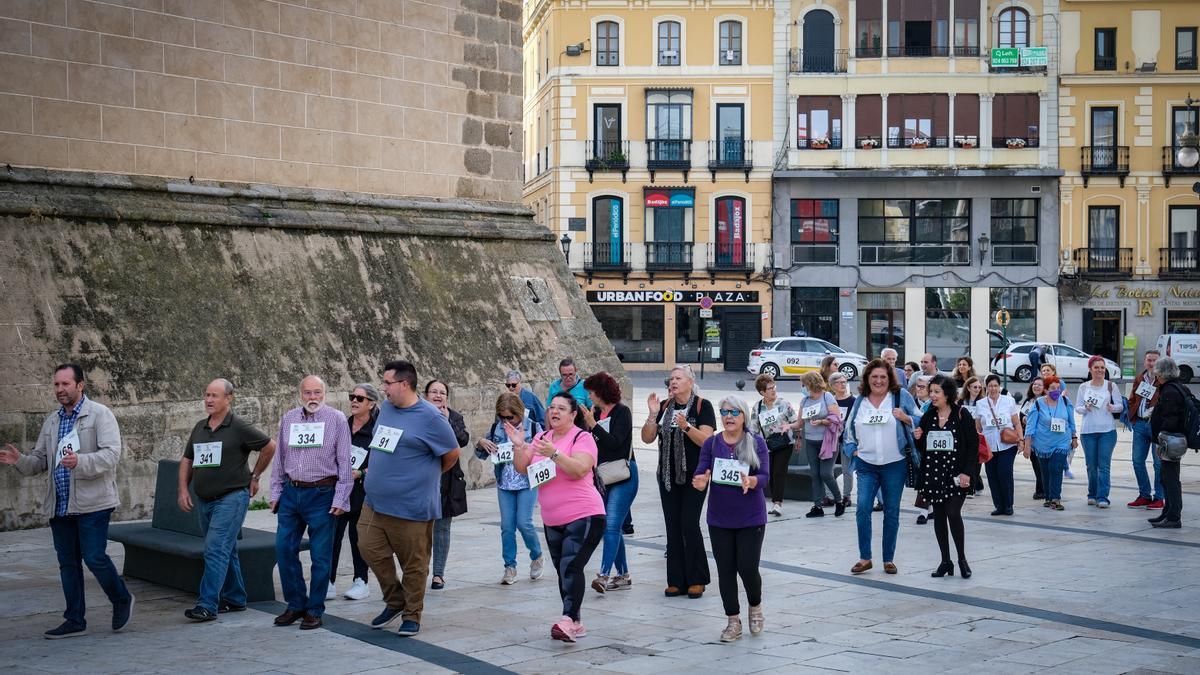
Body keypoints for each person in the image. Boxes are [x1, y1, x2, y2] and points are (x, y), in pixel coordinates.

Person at [0, 364, 135, 639]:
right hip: (60, 504)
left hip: (93, 503)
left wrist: (80, 461)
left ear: (80, 385)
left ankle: (121, 599)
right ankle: (74, 619)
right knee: (68, 563)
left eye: (65, 384)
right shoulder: (52, 421)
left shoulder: (100, 415)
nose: (60, 390)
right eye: (56, 385)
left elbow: (111, 455)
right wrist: (20, 461)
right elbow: (40, 461)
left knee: (94, 557)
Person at [360, 360, 461, 637]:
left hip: (412, 506)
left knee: (413, 564)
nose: (383, 388)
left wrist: (425, 475)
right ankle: (395, 600)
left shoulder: (431, 418)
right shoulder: (387, 409)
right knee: (369, 549)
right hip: (375, 502)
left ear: (404, 385)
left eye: (387, 383)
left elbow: (451, 453)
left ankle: (412, 614)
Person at [511, 393, 606, 642]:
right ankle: (575, 622)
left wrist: (555, 454)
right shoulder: (541, 437)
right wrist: (519, 445)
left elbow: (580, 469)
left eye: (561, 408)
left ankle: (567, 619)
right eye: (552, 407)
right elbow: (522, 468)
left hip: (585, 514)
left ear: (573, 415)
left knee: (571, 566)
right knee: (564, 571)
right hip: (553, 518)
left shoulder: (582, 437)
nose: (554, 411)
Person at [178, 378, 276, 621]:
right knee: (226, 549)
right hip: (204, 499)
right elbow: (187, 459)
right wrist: (182, 489)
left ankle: (207, 604)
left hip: (231, 498)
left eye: (215, 396)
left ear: (228, 399)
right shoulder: (200, 427)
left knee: (215, 549)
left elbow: (269, 446)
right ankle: (235, 597)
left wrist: (255, 476)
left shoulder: (239, 427)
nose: (209, 400)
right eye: (207, 395)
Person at [271, 375, 353, 630]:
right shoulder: (289, 419)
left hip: (322, 493)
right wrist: (275, 493)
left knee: (320, 555)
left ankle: (315, 609)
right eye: (307, 393)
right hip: (291, 493)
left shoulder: (337, 419)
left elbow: (344, 462)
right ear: (300, 394)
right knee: (284, 549)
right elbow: (279, 460)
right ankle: (295, 604)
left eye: (317, 392)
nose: (312, 397)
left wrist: (342, 497)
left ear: (325, 394)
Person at [692, 396, 769, 642]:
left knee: (747, 568)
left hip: (751, 518)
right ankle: (732, 621)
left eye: (734, 412)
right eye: (724, 411)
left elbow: (766, 476)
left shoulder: (755, 442)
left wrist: (753, 481)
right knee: (725, 571)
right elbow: (701, 469)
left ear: (744, 415)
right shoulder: (712, 443)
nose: (728, 416)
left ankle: (755, 605)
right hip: (719, 518)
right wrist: (700, 480)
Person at [641, 365, 715, 599]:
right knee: (672, 526)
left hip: (695, 476)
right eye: (671, 378)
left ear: (689, 382)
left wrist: (687, 427)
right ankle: (676, 580)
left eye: (678, 378)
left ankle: (697, 578)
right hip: (667, 476)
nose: (672, 382)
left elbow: (707, 441)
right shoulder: (665, 406)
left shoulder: (703, 406)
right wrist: (653, 415)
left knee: (689, 524)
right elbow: (647, 437)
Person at [842, 359, 919, 575]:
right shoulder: (860, 401)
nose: (878, 381)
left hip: (895, 464)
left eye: (883, 377)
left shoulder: (900, 396)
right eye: (874, 376)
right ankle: (865, 557)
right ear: (867, 378)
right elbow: (848, 432)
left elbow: (921, 418)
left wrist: (906, 418)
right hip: (866, 464)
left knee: (892, 511)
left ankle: (888, 559)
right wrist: (853, 450)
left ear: (890, 379)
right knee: (863, 507)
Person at [475, 392, 545, 584]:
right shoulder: (496, 428)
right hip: (505, 483)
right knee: (507, 526)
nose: (507, 421)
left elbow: (541, 453)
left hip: (526, 482)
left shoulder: (532, 426)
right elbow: (481, 454)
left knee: (524, 523)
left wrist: (523, 447)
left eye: (510, 417)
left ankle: (537, 555)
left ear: (519, 413)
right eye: (502, 417)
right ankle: (510, 567)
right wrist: (482, 443)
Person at [912, 375, 978, 579]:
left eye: (936, 392)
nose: (932, 395)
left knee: (953, 512)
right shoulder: (929, 416)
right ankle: (945, 561)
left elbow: (973, 446)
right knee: (939, 516)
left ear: (947, 394)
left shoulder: (961, 414)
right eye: (930, 391)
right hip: (933, 473)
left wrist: (967, 471)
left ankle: (962, 560)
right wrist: (918, 438)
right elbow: (923, 448)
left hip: (956, 474)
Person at [581, 372, 636, 594]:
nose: (590, 397)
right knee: (611, 527)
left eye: (591, 393)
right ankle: (623, 575)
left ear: (601, 392)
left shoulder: (622, 412)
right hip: (603, 476)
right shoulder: (594, 412)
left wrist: (594, 426)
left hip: (623, 474)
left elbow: (615, 444)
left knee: (612, 525)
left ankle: (603, 575)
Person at [331, 383, 380, 601]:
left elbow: (384, 462)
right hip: (339, 490)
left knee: (357, 537)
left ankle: (361, 580)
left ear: (371, 404)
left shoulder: (378, 430)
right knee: (332, 536)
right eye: (352, 397)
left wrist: (360, 473)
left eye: (359, 398)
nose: (354, 401)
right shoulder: (341, 425)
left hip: (363, 491)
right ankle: (328, 581)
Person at [426, 379, 470, 591]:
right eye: (433, 392)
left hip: (447, 480)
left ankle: (438, 574)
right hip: (422, 479)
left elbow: (463, 439)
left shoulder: (454, 417)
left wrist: (447, 422)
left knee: (442, 527)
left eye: (441, 392)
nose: (437, 395)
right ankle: (418, 571)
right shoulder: (417, 416)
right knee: (420, 529)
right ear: (425, 395)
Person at [1021, 375, 1077, 511]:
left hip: (1062, 442)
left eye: (1058, 388)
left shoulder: (1065, 401)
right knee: (1045, 471)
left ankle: (1055, 499)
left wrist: (1074, 437)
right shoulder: (1039, 404)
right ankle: (1048, 497)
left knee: (1055, 467)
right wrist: (1027, 445)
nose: (1056, 391)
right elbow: (1030, 426)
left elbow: (1071, 420)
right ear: (1045, 390)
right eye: (1052, 389)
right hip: (1042, 443)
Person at [1075, 356, 1122, 509]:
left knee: (1104, 465)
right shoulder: (1084, 387)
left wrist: (1112, 407)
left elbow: (1120, 406)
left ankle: (1103, 497)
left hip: (1107, 431)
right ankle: (1092, 494)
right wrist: (1085, 408)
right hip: (1088, 432)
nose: (1100, 370)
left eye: (1102, 367)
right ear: (1090, 369)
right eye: (1096, 368)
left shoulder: (1111, 386)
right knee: (1091, 465)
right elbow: (1078, 407)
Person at [748, 373, 797, 517]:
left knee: (779, 472)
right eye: (770, 388)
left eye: (774, 387)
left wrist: (789, 427)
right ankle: (775, 501)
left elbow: (795, 422)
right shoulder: (758, 407)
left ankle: (777, 503)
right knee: (769, 473)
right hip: (767, 445)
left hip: (784, 443)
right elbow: (753, 428)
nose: (773, 390)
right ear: (762, 392)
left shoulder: (784, 404)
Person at [797, 372, 844, 518]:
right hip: (811, 442)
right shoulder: (804, 401)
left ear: (811, 384)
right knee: (815, 475)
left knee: (825, 473)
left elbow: (837, 419)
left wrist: (822, 421)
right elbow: (799, 423)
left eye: (804, 384)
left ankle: (839, 500)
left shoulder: (827, 397)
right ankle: (817, 506)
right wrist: (786, 426)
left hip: (827, 441)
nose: (802, 387)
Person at [1149, 357, 1186, 529]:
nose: (1155, 374)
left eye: (1157, 371)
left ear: (1162, 373)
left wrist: (1161, 442)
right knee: (1167, 478)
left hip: (1170, 442)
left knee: (1170, 479)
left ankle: (1173, 517)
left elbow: (1170, 419)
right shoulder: (1176, 387)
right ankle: (1167, 512)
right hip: (1171, 441)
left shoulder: (1170, 390)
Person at [976, 374, 1022, 516]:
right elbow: (978, 428)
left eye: (996, 385)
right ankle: (999, 505)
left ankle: (1008, 504)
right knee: (992, 475)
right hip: (989, 445)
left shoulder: (1009, 401)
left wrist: (1020, 440)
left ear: (999, 386)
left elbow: (1016, 423)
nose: (993, 388)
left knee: (1005, 472)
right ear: (986, 388)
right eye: (990, 386)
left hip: (1007, 444)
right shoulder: (981, 403)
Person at [1127, 350, 1165, 509]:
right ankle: (1144, 495)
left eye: (1155, 360)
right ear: (1144, 362)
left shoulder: (1164, 380)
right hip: (1140, 425)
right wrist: (1133, 417)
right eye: (1149, 360)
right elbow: (1132, 399)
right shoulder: (1139, 378)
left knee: (1159, 464)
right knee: (1137, 461)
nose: (1151, 363)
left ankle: (1159, 497)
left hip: (1157, 426)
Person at [908, 375, 933, 524]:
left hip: (931, 447)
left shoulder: (935, 404)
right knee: (922, 477)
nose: (919, 390)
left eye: (922, 387)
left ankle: (923, 511)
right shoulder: (912, 402)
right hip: (915, 446)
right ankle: (930, 510)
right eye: (917, 386)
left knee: (925, 477)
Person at [830, 373, 856, 509]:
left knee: (847, 469)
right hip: (831, 439)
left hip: (846, 440)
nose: (843, 384)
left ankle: (847, 496)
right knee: (828, 469)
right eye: (839, 382)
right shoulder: (830, 401)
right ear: (832, 385)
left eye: (844, 382)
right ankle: (831, 495)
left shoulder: (853, 400)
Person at [1018, 378, 1047, 500]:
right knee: (1035, 464)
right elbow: (1021, 416)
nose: (1036, 387)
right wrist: (1024, 419)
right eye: (1035, 384)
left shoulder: (1046, 401)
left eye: (1040, 385)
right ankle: (1041, 489)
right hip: (1030, 439)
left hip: (1043, 438)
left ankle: (1042, 489)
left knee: (1042, 465)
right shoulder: (1028, 401)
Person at [959, 376, 985, 495]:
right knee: (967, 460)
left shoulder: (982, 402)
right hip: (963, 435)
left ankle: (972, 487)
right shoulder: (960, 402)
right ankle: (977, 484)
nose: (977, 389)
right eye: (975, 387)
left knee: (976, 462)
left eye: (979, 387)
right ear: (968, 388)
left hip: (977, 435)